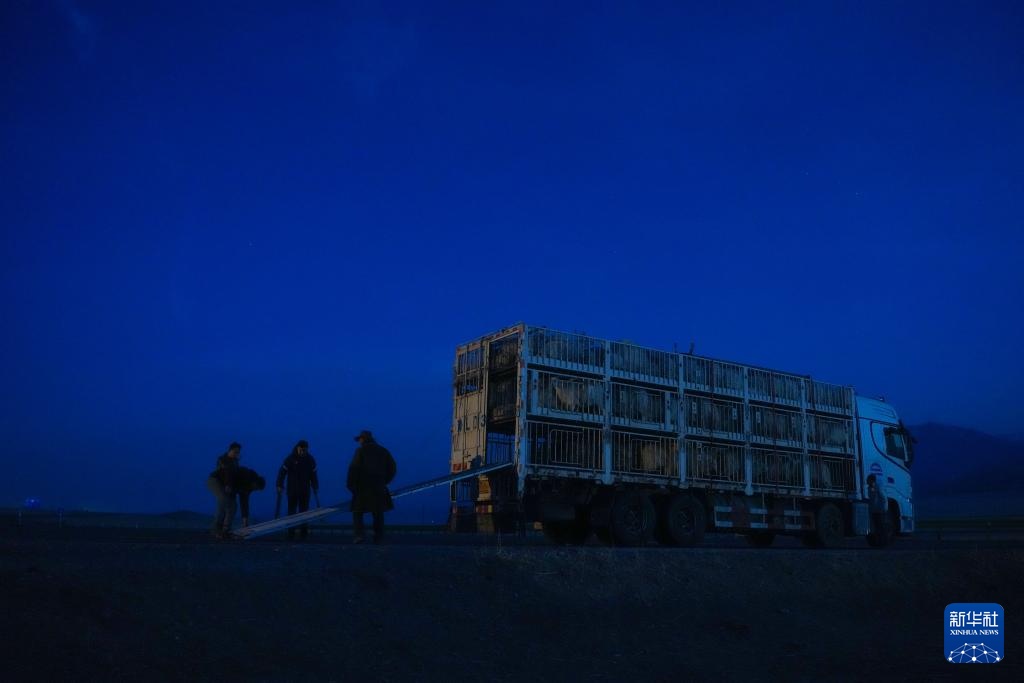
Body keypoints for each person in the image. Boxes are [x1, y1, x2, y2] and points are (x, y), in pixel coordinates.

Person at [347, 430, 397, 544]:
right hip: (378, 486)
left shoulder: (360, 451)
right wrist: (384, 481)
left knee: (357, 511)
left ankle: (359, 535)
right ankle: (378, 537)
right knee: (378, 512)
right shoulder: (383, 451)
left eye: (360, 439)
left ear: (363, 439)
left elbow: (353, 469)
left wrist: (351, 485)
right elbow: (392, 468)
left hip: (362, 487)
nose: (359, 441)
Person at [276, 440, 319, 540]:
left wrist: (315, 486)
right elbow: (282, 472)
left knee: (304, 512)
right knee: (292, 512)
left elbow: (313, 475)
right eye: (301, 450)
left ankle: (303, 533)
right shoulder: (290, 458)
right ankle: (291, 533)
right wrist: (279, 484)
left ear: (307, 449)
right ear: (297, 448)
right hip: (292, 490)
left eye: (304, 450)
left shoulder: (310, 460)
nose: (302, 452)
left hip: (305, 490)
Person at [207, 442, 241, 539]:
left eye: (238, 452)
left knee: (233, 505)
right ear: (230, 450)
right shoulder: (223, 459)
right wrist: (227, 485)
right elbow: (226, 472)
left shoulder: (235, 462)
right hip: (215, 481)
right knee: (223, 501)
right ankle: (216, 529)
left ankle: (226, 530)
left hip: (227, 484)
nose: (237, 454)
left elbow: (234, 475)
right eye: (235, 452)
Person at [867, 474, 888, 546]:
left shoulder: (878, 487)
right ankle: (878, 542)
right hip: (874, 511)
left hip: (879, 511)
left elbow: (884, 498)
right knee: (876, 527)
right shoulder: (870, 488)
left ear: (872, 480)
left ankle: (882, 542)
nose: (867, 482)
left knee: (880, 527)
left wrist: (883, 509)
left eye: (868, 480)